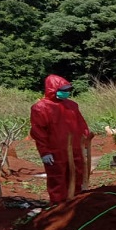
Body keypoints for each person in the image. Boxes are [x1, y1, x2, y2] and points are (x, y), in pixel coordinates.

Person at [30, 75, 91, 204]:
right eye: (63, 89)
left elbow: (81, 125)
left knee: (77, 174)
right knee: (57, 178)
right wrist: (44, 152)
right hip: (55, 150)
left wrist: (85, 142)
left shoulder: (72, 105)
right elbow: (38, 132)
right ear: (52, 89)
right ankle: (58, 206)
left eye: (68, 89)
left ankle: (76, 203)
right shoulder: (41, 108)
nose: (66, 92)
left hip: (74, 147)